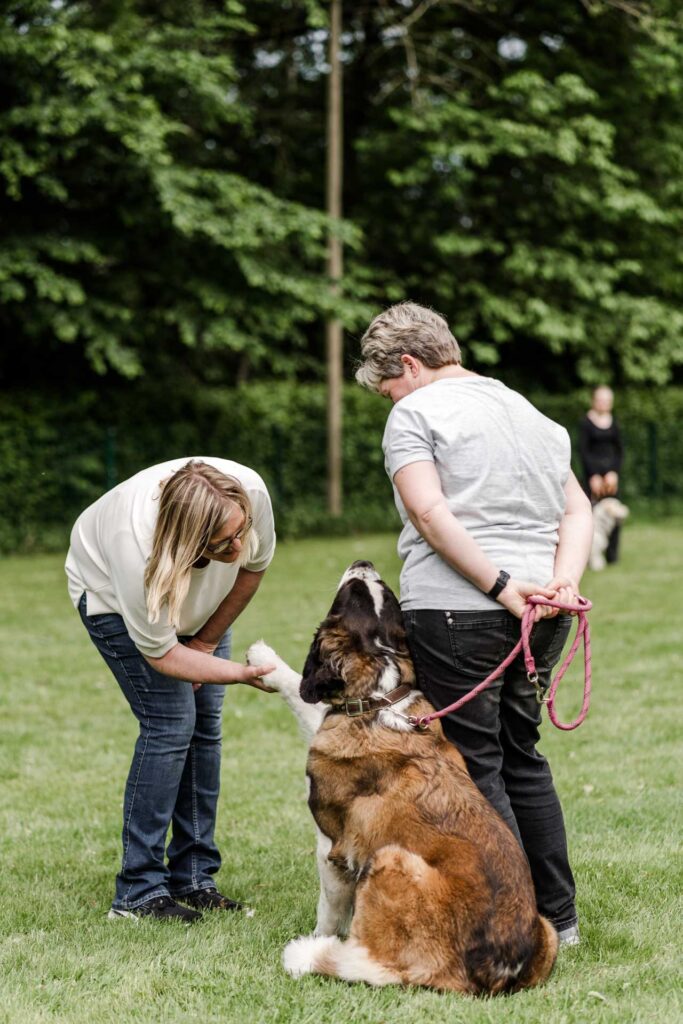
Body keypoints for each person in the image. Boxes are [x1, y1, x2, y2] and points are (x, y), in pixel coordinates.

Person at [356, 302, 593, 947]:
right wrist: (563, 583)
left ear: (409, 365)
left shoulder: (416, 412)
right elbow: (578, 511)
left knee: (475, 767)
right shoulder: (529, 412)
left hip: (463, 612)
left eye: (387, 389)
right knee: (523, 757)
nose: (390, 403)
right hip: (544, 615)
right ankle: (560, 922)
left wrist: (496, 585)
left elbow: (429, 513)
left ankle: (509, 924)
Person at [66, 458, 276, 923]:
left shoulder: (252, 493)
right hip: (111, 597)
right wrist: (239, 673)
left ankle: (194, 877)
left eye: (241, 531)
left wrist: (205, 641)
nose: (240, 545)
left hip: (200, 605)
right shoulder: (133, 547)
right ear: (189, 541)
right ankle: (138, 892)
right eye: (225, 542)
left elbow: (253, 570)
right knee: (171, 722)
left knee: (205, 725)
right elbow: (163, 655)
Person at [579, 385, 624, 564]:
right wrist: (594, 475)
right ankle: (590, 556)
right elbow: (583, 451)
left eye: (607, 400)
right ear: (594, 401)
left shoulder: (615, 422)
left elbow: (619, 451)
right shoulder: (585, 423)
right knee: (590, 517)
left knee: (616, 515)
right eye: (600, 399)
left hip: (611, 478)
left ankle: (612, 556)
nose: (604, 403)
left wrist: (614, 472)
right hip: (593, 478)